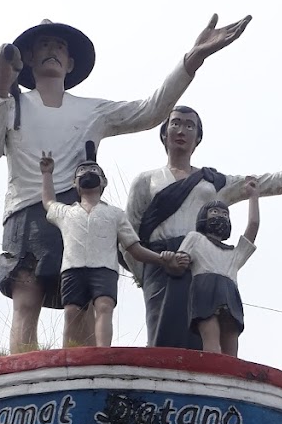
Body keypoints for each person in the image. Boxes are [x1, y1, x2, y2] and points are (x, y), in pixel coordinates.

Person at [0, 15, 251, 353]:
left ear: (70, 62)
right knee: (26, 298)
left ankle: (82, 368)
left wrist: (193, 58)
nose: (52, 51)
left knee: (82, 301)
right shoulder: (11, 104)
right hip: (26, 210)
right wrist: (0, 87)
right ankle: (23, 369)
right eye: (44, 45)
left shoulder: (92, 112)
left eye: (60, 46)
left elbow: (152, 110)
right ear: (29, 57)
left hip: (80, 213)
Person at [126, 106, 282, 349]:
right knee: (163, 342)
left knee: (204, 337)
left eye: (190, 126)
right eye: (176, 123)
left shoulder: (213, 182)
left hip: (201, 265)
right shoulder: (146, 180)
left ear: (198, 138)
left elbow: (275, 182)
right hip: (161, 266)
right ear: (164, 133)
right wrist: (147, 273)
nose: (181, 130)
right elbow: (128, 236)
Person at [41, 148, 188, 348]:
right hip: (72, 268)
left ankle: (103, 349)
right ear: (74, 183)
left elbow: (134, 248)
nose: (88, 173)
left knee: (104, 306)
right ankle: (69, 353)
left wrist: (161, 259)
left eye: (94, 170)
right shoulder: (66, 213)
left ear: (104, 181)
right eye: (82, 172)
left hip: (104, 268)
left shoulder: (115, 214)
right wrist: (47, 174)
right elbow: (49, 202)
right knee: (72, 311)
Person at [178, 181, 259, 356]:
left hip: (230, 291)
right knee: (211, 341)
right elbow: (180, 261)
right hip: (205, 288)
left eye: (225, 214)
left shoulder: (235, 254)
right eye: (214, 212)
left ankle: (230, 372)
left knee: (231, 349)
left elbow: (253, 225)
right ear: (204, 217)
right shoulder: (195, 239)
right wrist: (177, 260)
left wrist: (253, 197)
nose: (220, 216)